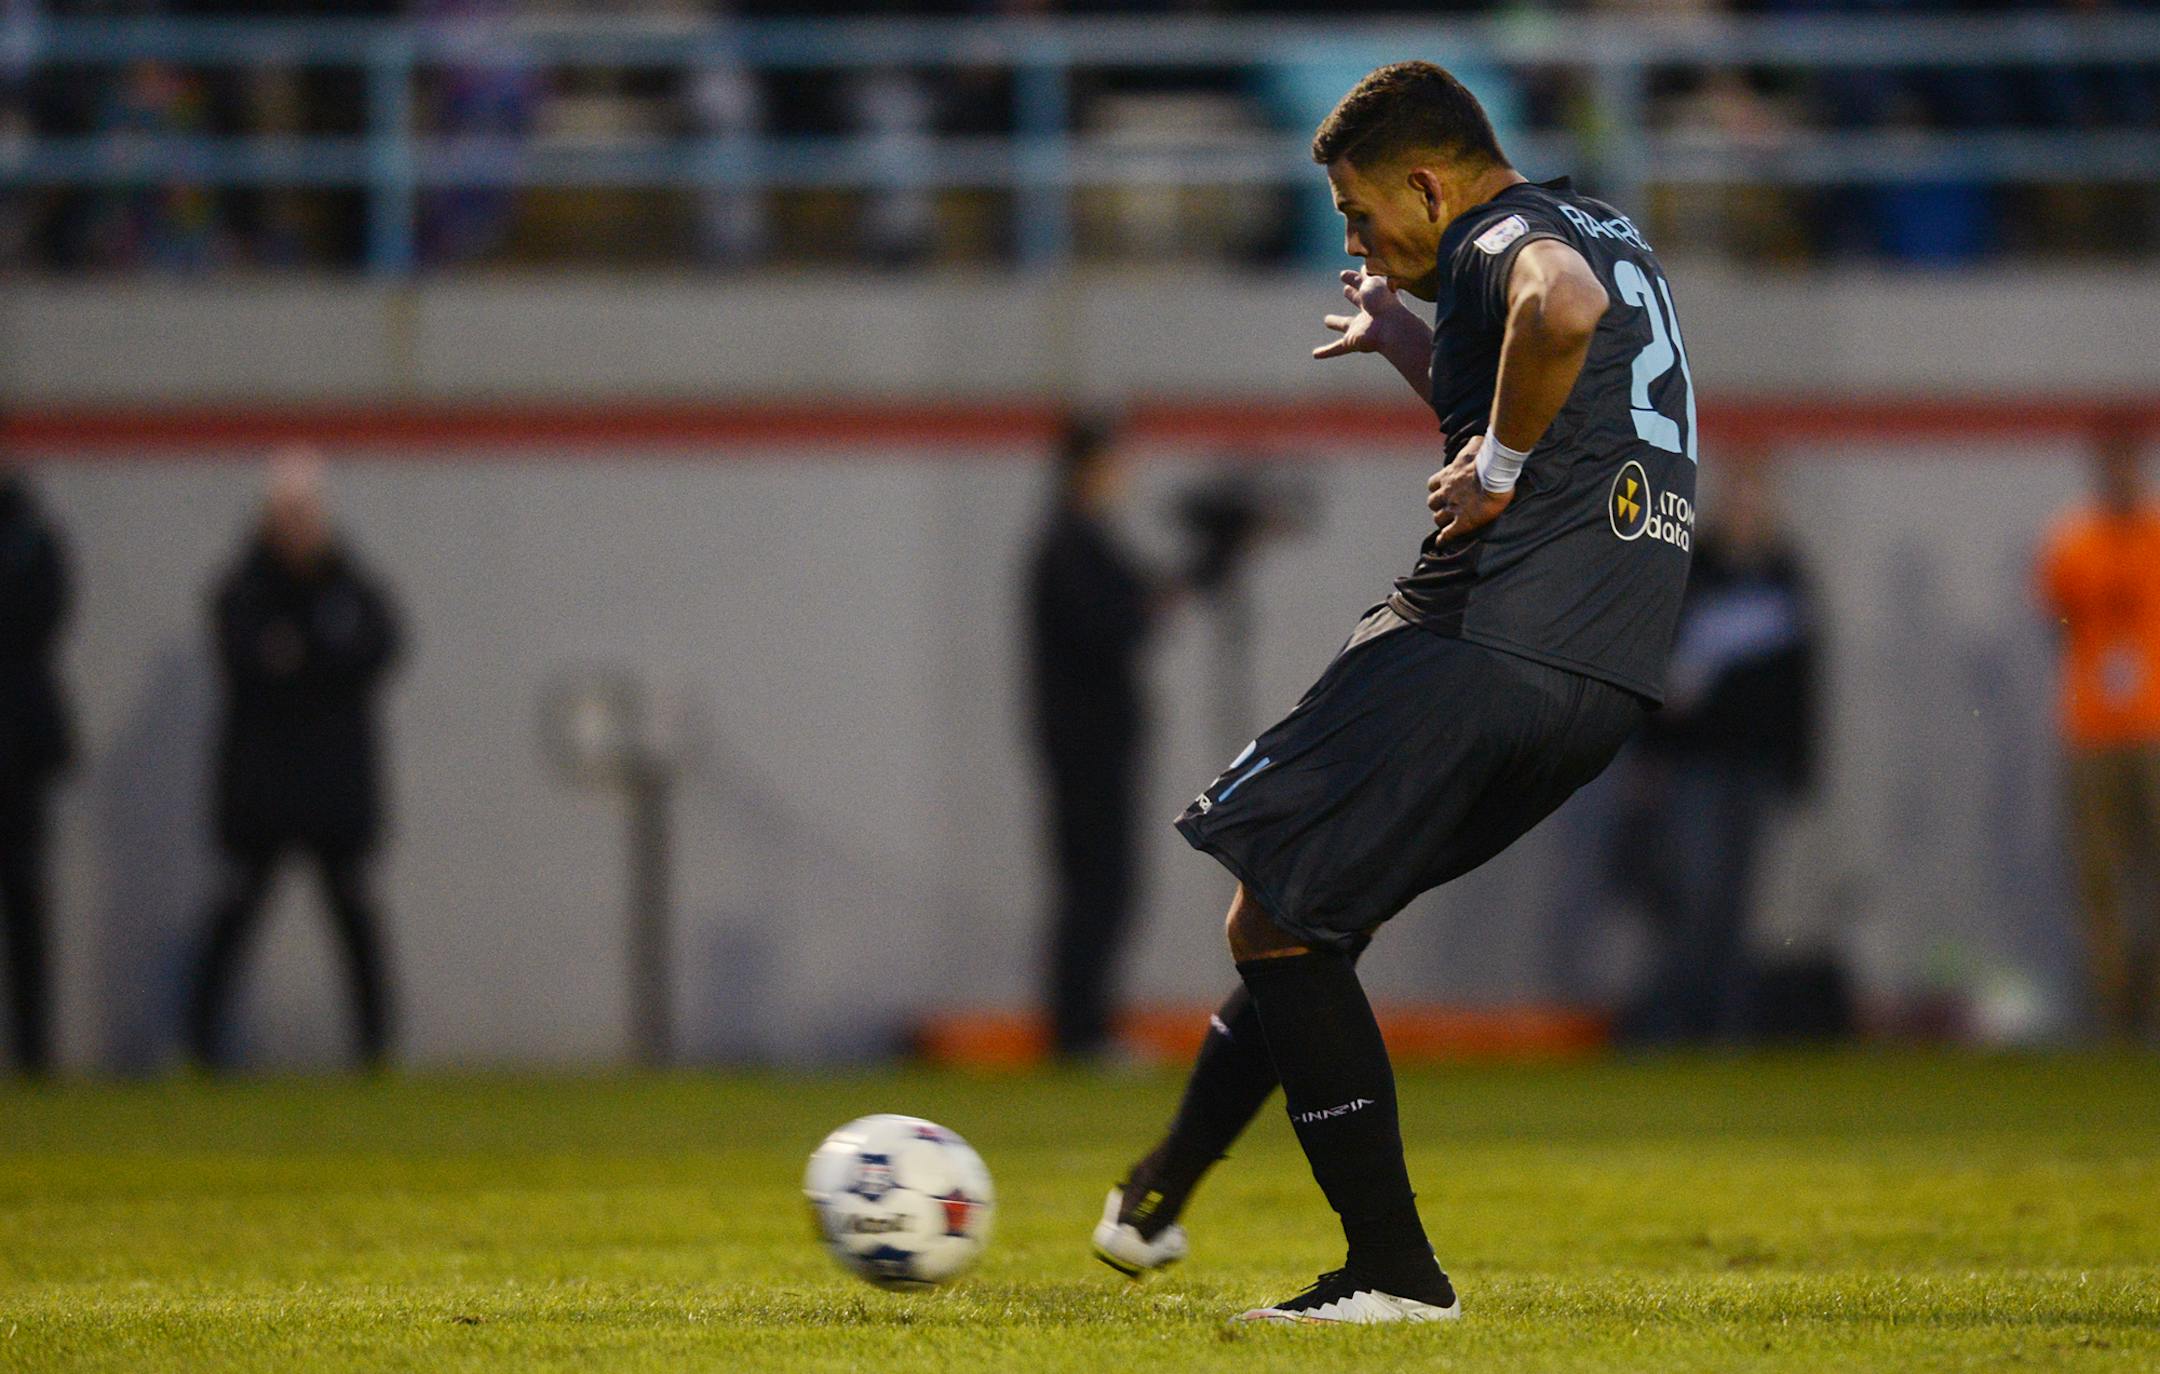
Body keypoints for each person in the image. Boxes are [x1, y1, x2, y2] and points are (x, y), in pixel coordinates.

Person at [1088, 61, 1696, 1324]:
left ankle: (1392, 1274)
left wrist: (1498, 464)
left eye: (1363, 216)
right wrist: (1413, 347)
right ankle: (1164, 1192)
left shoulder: (1503, 238)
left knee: (1276, 918)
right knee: (1305, 912)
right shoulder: (1609, 227)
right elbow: (1571, 379)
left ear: (1429, 182)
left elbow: (1559, 310)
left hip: (1481, 634)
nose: (1357, 240)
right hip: (1599, 676)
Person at [185, 452, 404, 1072]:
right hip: (264, 784)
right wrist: (320, 657)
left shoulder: (352, 584)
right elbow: (249, 660)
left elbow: (380, 647)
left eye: (306, 512)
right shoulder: (244, 586)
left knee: (353, 913)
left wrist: (302, 655)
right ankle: (200, 1042)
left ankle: (375, 1046)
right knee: (238, 909)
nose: (297, 526)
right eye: (286, 513)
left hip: (335, 784)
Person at [1618, 451, 1818, 1044]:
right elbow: (1655, 666)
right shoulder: (1692, 569)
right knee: (1694, 894)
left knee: (1737, 902)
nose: (1749, 508)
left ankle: (1725, 1026)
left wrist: (1799, 763)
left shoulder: (1786, 574)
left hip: (1752, 765)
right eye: (1741, 494)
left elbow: (1801, 683)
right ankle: (1675, 1021)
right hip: (1694, 764)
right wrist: (1648, 753)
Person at [1026, 413, 1161, 1062]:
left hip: (1093, 744)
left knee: (1102, 886)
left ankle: (1084, 1027)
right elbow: (1113, 624)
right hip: (1086, 747)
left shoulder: (1082, 541)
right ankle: (1079, 1032)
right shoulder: (1068, 544)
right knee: (1097, 887)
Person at [2037, 422, 2160, 1043]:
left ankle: (2148, 1005)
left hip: (2152, 728)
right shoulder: (2072, 542)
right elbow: (2055, 622)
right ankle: (2114, 1016)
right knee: (2101, 879)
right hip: (2090, 731)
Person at [0, 460, 73, 1077]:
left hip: (18, 749)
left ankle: (33, 1051)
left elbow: (43, 617)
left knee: (25, 897)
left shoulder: (29, 534)